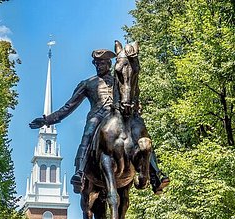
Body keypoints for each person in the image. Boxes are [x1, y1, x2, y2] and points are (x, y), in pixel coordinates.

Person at [29, 49, 169, 194]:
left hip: (119, 117)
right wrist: (46, 120)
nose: (99, 66)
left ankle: (155, 175)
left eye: (102, 63)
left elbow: (131, 94)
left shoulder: (119, 81)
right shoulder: (87, 84)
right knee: (88, 135)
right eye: (96, 63)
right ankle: (80, 173)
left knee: (141, 134)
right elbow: (68, 107)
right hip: (98, 116)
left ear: (109, 64)